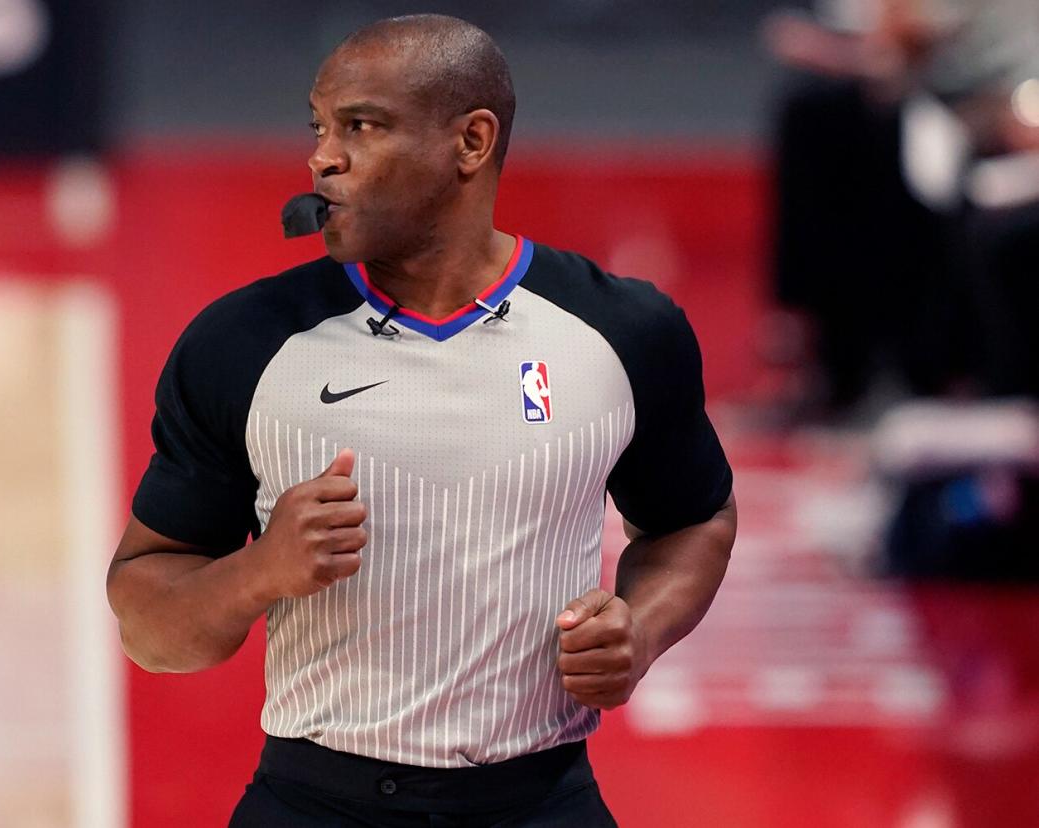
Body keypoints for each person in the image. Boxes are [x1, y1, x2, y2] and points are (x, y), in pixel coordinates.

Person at [106, 14, 737, 827]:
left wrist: (640, 632)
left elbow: (696, 518)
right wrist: (259, 571)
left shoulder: (624, 332)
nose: (321, 158)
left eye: (361, 126)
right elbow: (148, 627)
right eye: (320, 127)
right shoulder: (243, 345)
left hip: (542, 801)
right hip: (314, 803)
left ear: (471, 143)